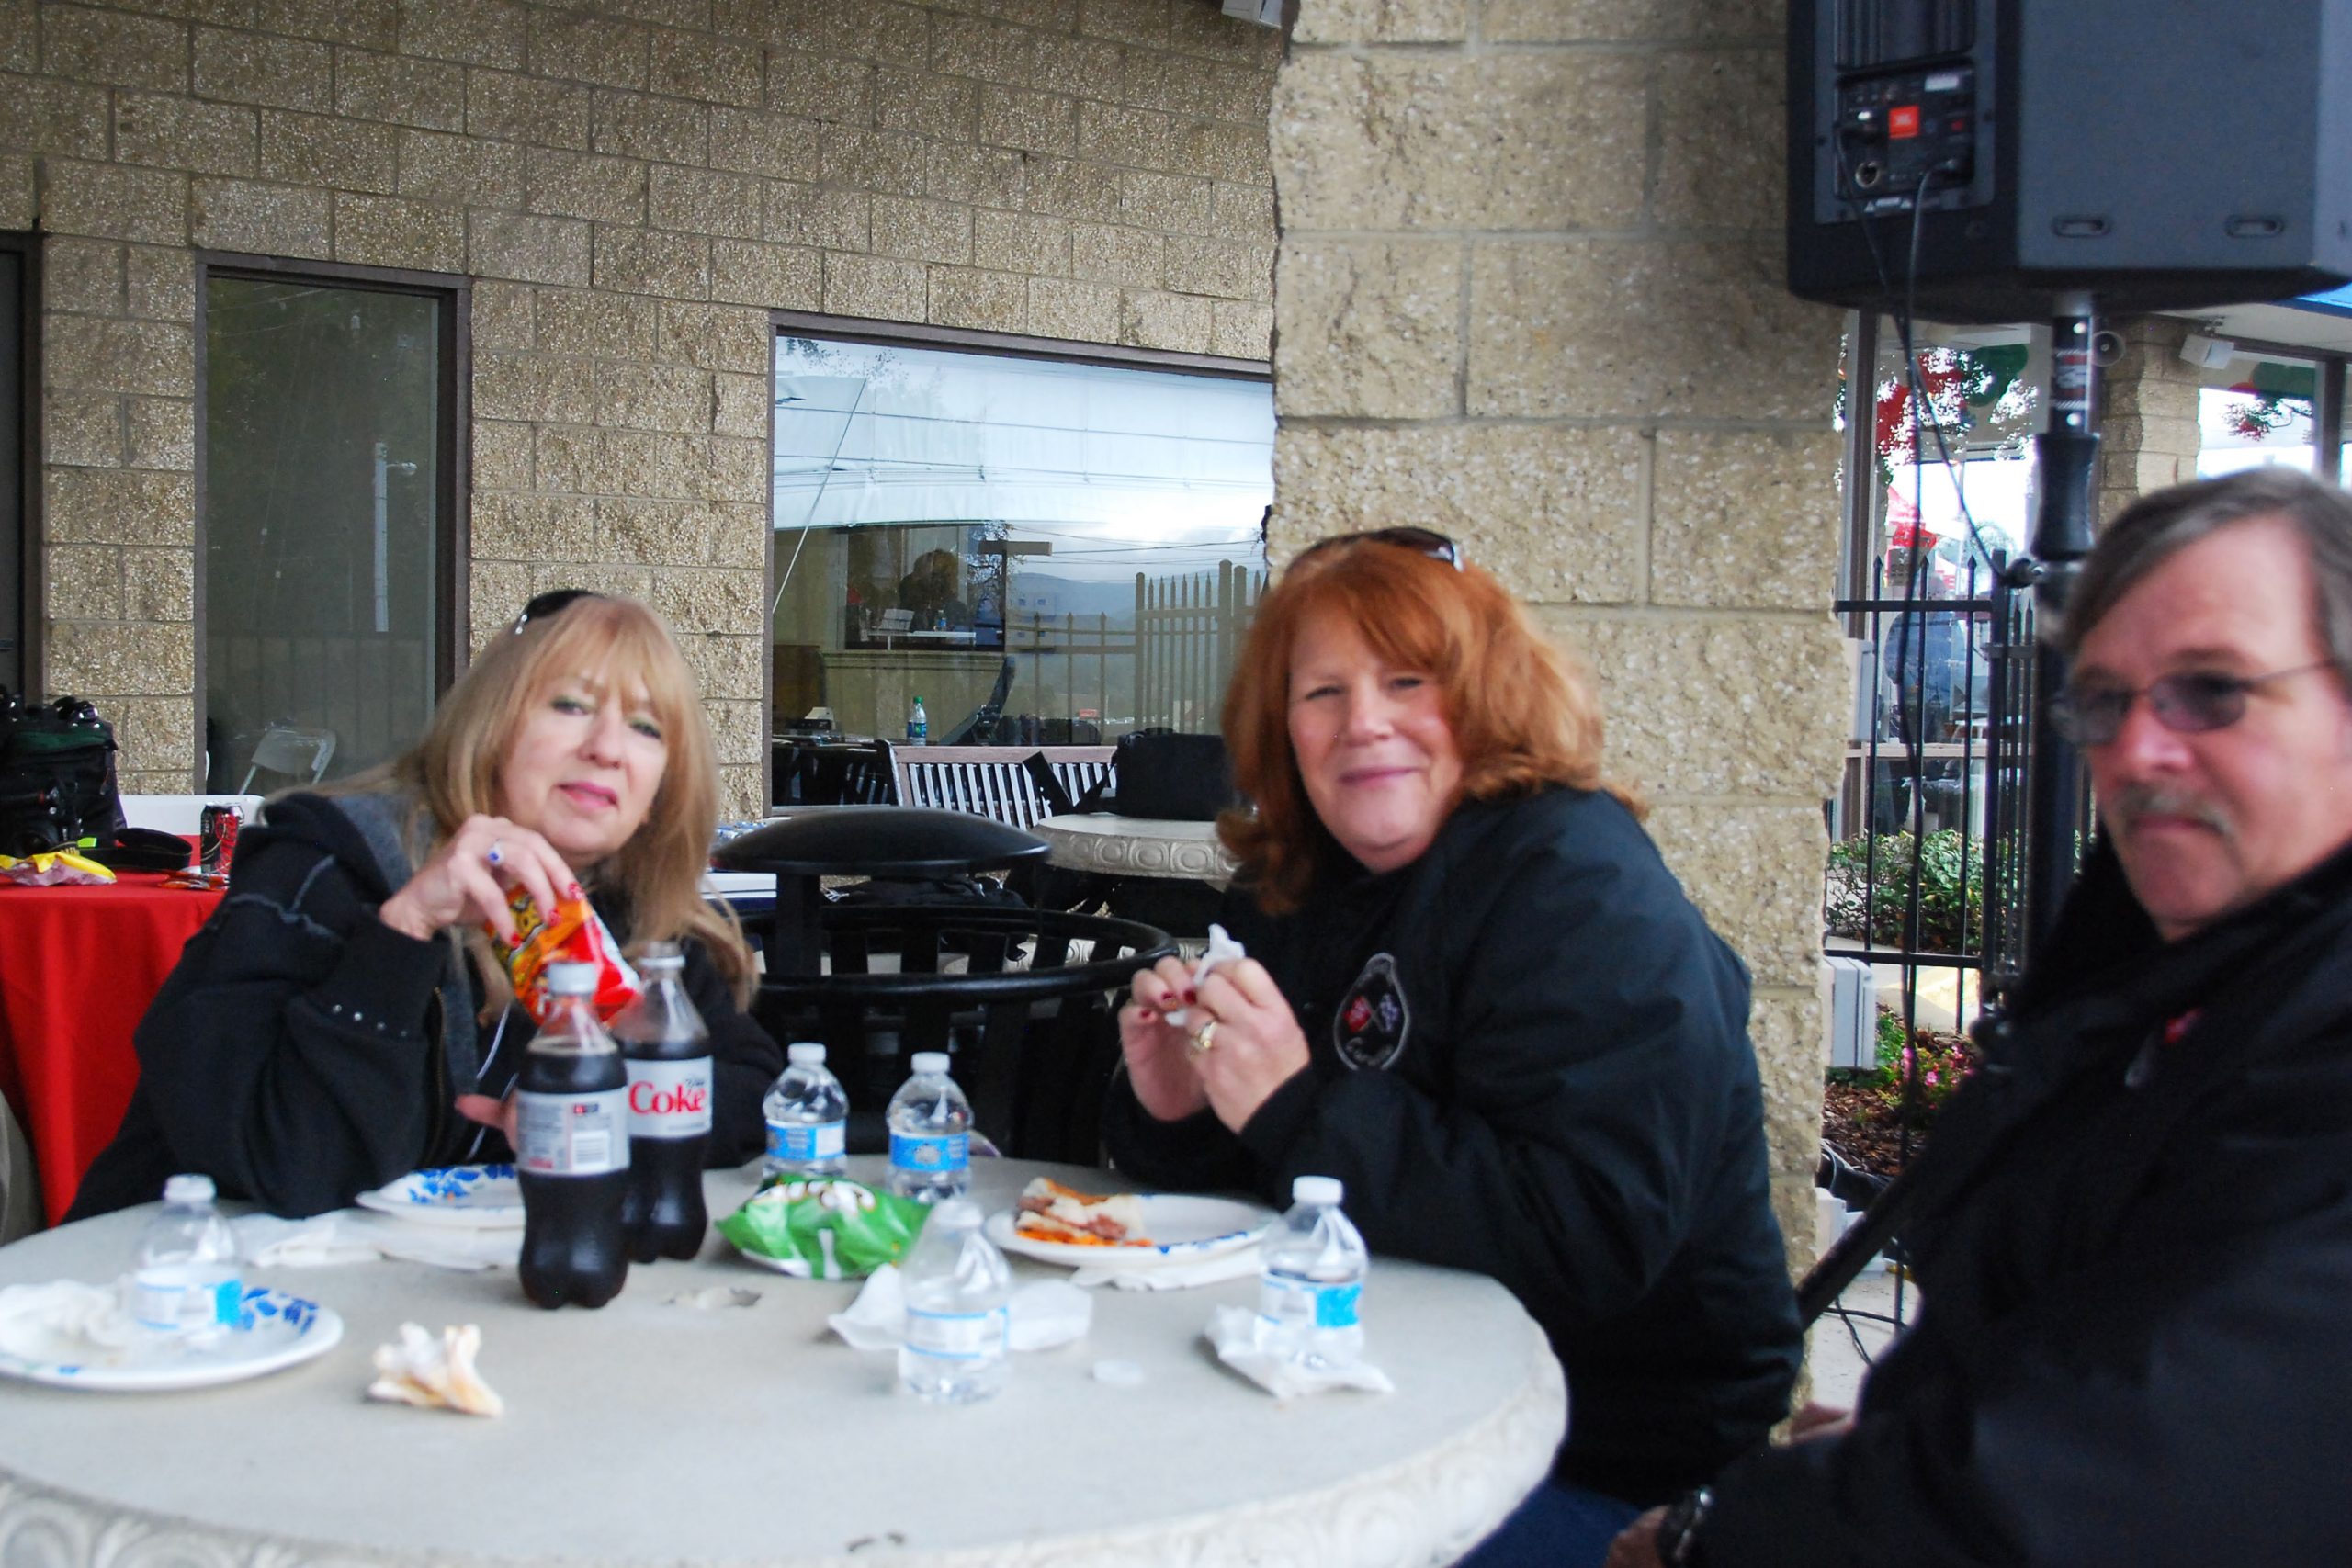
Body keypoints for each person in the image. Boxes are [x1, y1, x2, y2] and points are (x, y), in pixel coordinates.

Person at [1608, 468, 2352, 1566]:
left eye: (2210, 689)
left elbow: (2146, 1472)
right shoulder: (2177, 974)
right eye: (2102, 701)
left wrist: (1724, 1535)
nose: (2138, 751)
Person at [1104, 528, 1802, 1567]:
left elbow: (1590, 1237)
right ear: (1279, 728)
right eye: (1321, 693)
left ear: (1483, 701)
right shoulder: (1295, 882)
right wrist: (1184, 1109)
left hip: (1600, 1462)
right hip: (1346, 1397)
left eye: (1405, 681)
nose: (1364, 724)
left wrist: (1294, 1106)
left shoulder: (1579, 888)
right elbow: (1274, 1185)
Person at [69, 592, 782, 1219]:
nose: (608, 748)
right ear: (493, 724)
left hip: (445, 1303)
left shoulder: (630, 913)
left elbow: (755, 1093)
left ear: (664, 783)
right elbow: (289, 1164)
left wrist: (594, 1108)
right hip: (176, 1302)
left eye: (647, 728)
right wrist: (406, 929)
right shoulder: (326, 865)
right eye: (571, 705)